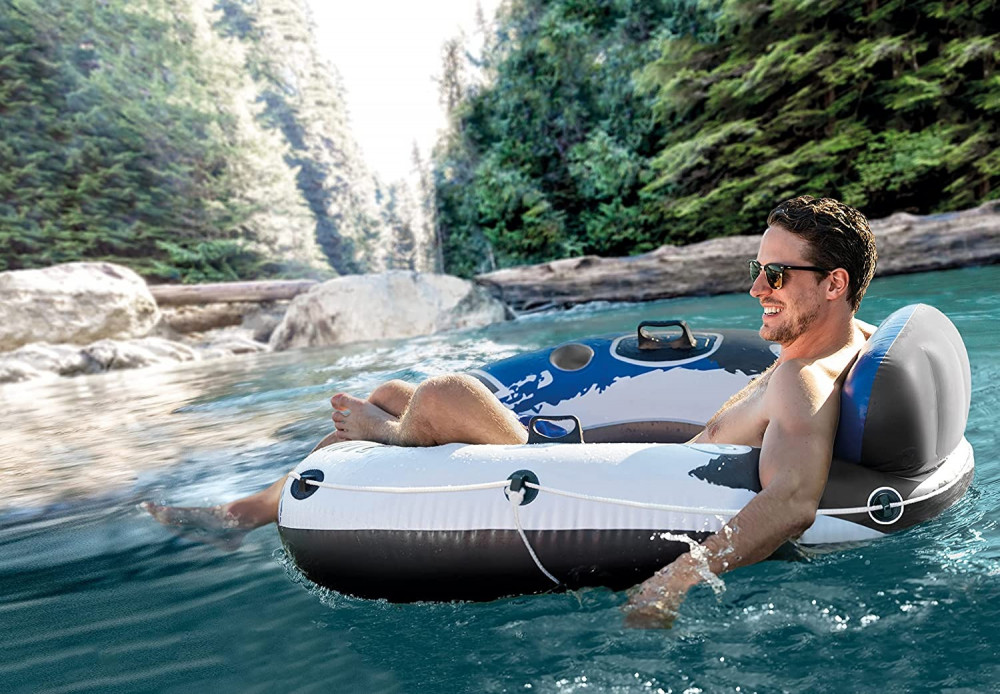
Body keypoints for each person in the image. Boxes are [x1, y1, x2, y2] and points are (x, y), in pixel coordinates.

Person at [144, 195, 878, 627]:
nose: (757, 289)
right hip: (618, 467)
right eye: (756, 270)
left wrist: (674, 581)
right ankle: (252, 510)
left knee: (436, 396)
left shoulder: (802, 380)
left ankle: (382, 439)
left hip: (585, 490)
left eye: (775, 274)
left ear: (834, 283)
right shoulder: (839, 343)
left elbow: (791, 501)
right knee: (395, 391)